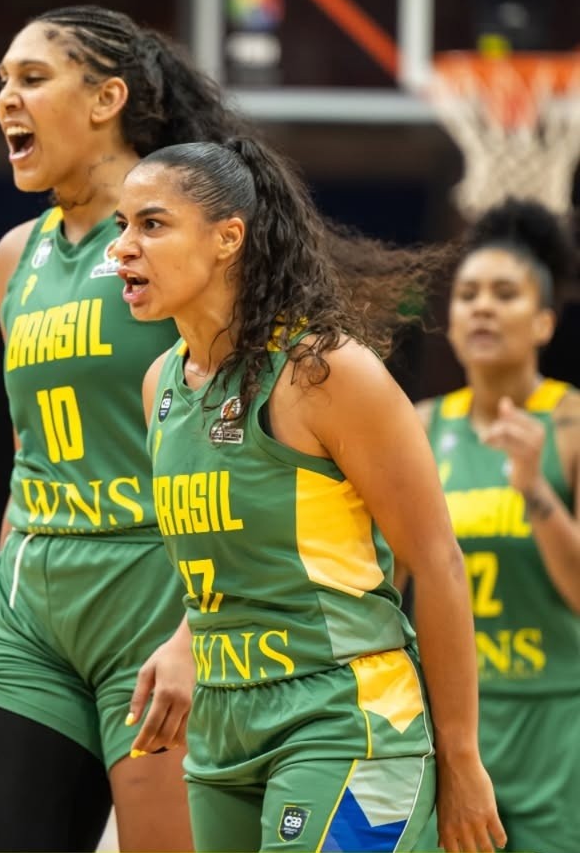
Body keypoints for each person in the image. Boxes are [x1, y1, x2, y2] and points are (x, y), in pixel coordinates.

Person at [111, 138, 508, 853]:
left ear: (228, 238)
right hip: (224, 729)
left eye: (152, 224)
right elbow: (234, 560)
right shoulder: (161, 386)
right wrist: (184, 641)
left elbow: (437, 562)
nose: (124, 249)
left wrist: (461, 756)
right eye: (121, 227)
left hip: (342, 716)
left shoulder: (323, 373)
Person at [0, 4, 244, 853]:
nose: (8, 97)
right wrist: (2, 576)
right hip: (30, 601)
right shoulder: (15, 256)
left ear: (107, 98)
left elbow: (242, 441)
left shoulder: (180, 239)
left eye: (33, 78)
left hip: (155, 586)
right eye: (3, 81)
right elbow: (24, 447)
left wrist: (200, 628)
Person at [406, 199, 580, 853]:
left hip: (554, 723)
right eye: (469, 294)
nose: (481, 307)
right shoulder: (420, 427)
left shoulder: (569, 427)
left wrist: (535, 488)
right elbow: (387, 579)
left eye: (505, 295)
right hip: (448, 718)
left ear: (542, 322)